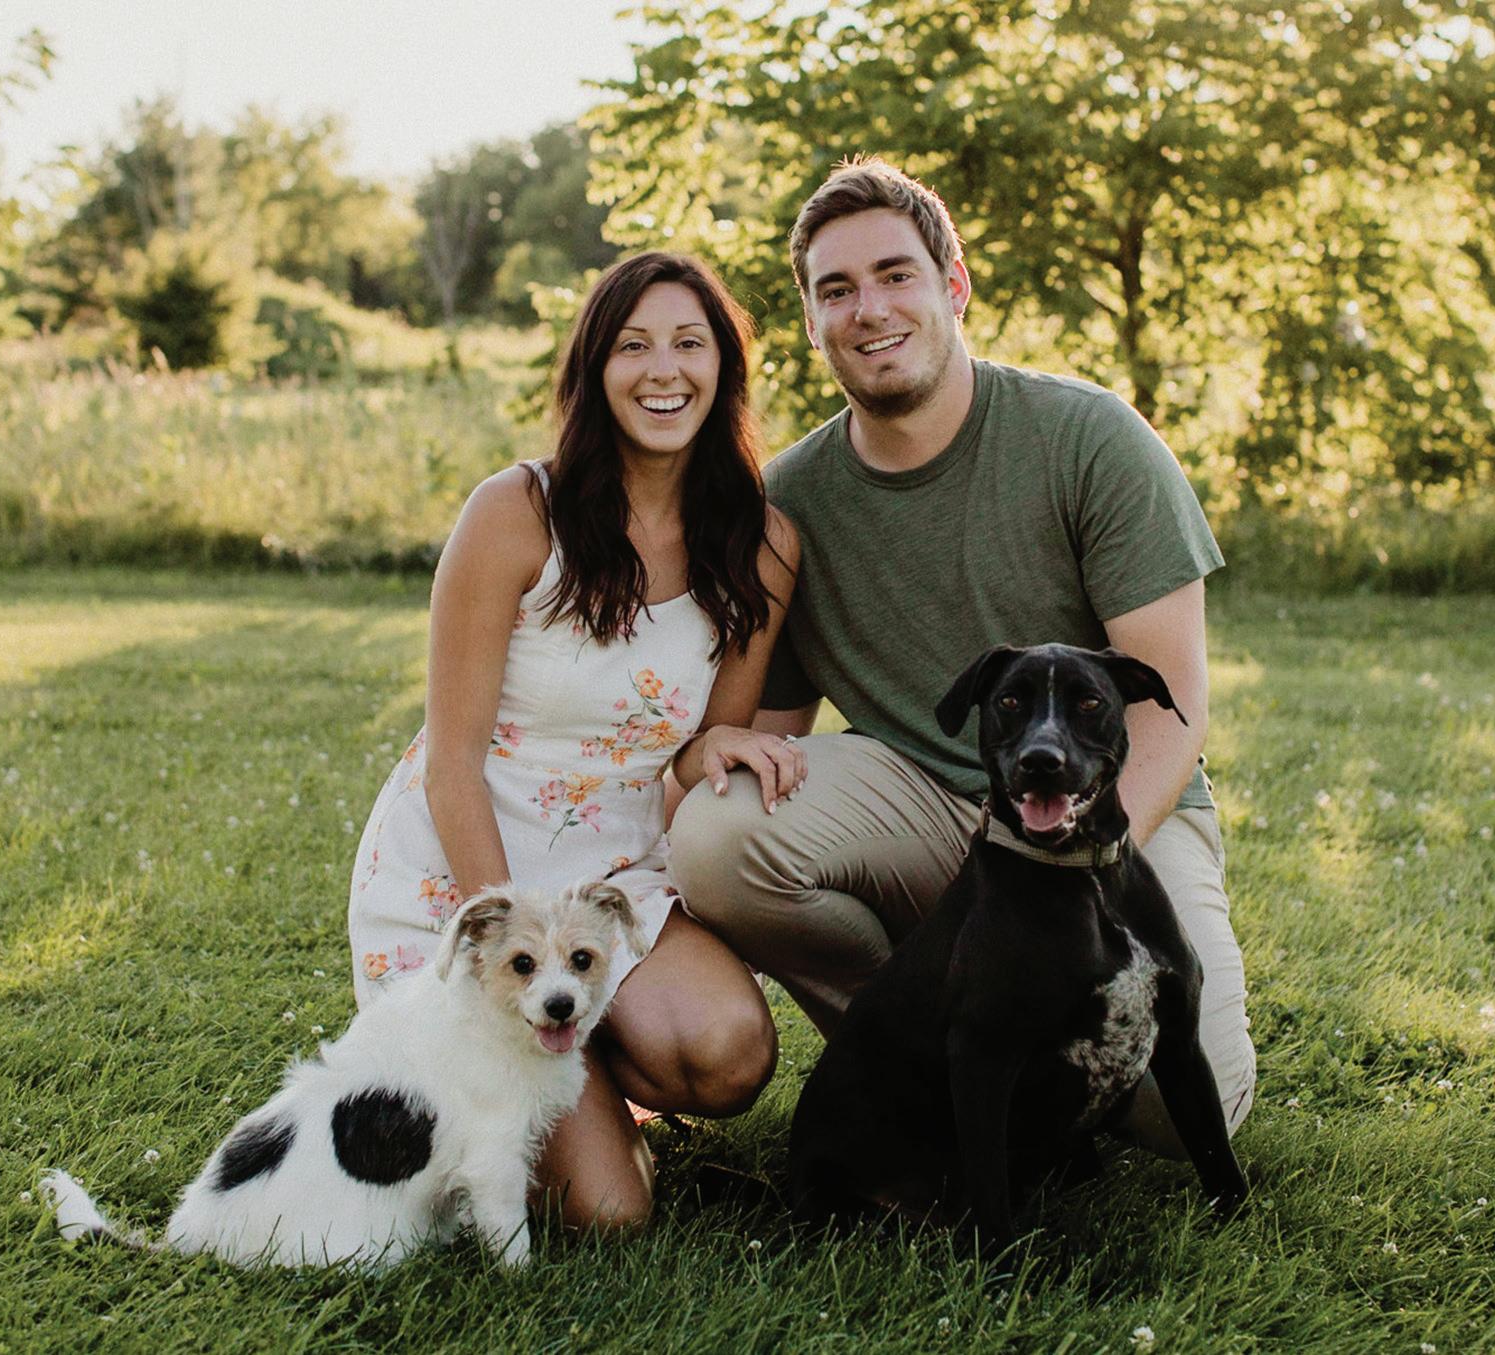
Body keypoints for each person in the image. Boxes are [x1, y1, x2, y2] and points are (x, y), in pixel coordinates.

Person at [668, 157, 1255, 1155]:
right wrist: (691, 767)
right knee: (719, 840)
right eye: (836, 290)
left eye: (895, 274)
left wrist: (1069, 874)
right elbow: (767, 738)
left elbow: (1173, 705)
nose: (869, 309)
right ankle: (929, 1056)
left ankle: (1036, 1055)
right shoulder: (788, 505)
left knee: (1187, 1101)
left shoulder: (1090, 439)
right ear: (810, 322)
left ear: (954, 284)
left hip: (1108, 813)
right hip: (924, 809)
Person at [348, 251, 806, 1230]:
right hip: (468, 868)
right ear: (595, 369)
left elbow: (700, 740)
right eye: (633, 346)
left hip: (614, 871)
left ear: (724, 367)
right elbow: (451, 761)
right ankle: (566, 1095)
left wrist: (723, 752)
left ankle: (591, 1056)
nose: (663, 370)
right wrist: (510, 944)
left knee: (727, 1053)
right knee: (608, 1211)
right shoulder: (515, 513)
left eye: (689, 344)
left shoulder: (763, 544)